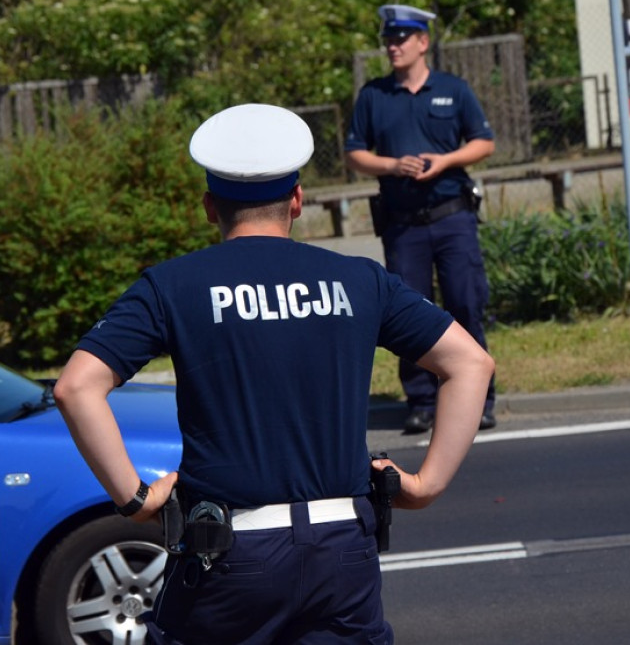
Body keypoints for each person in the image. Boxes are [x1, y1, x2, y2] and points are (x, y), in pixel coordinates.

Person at [54, 103, 494, 645]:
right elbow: (471, 363)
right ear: (298, 201)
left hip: (231, 556)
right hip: (343, 550)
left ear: (210, 208)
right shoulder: (359, 280)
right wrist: (426, 486)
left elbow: (76, 386)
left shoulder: (173, 286)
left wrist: (136, 499)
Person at [345, 3, 498, 435]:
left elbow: (484, 142)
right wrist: (393, 166)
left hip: (453, 219)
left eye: (401, 38)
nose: (392, 46)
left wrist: (445, 160)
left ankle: (480, 398)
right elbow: (354, 154)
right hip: (403, 223)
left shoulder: (453, 88)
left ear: (423, 42)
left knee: (465, 304)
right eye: (388, 39)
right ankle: (422, 401)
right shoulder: (374, 95)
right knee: (410, 314)